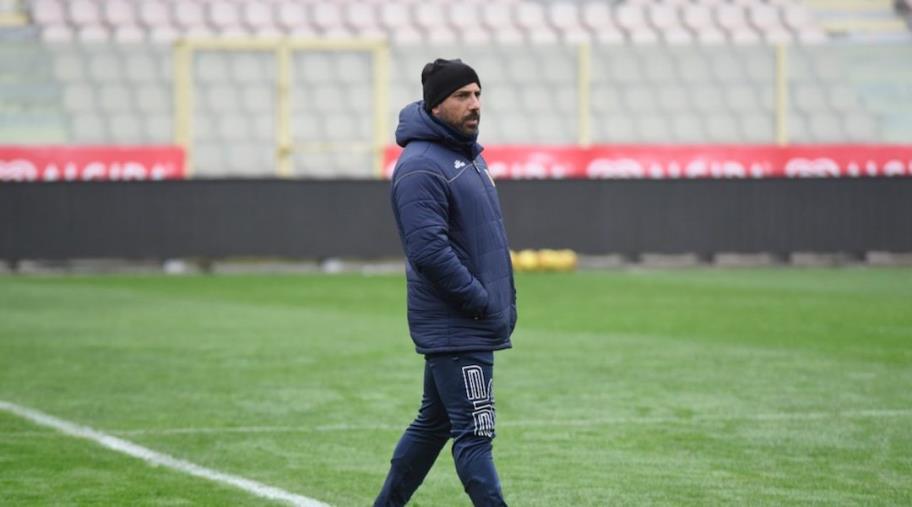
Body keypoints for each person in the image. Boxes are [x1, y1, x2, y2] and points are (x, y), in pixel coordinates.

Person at [375, 58, 517, 507]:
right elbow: (429, 251)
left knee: (433, 424)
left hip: (467, 321)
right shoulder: (421, 166)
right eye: (462, 96)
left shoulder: (465, 157)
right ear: (436, 105)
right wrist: (478, 301)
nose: (474, 104)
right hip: (460, 323)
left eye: (477, 94)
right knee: (475, 435)